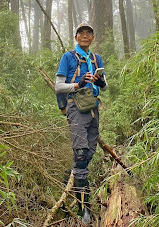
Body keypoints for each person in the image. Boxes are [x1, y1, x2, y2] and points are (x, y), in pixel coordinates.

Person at [55, 21, 107, 224]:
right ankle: (83, 208)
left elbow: (105, 85)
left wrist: (100, 82)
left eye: (89, 33)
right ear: (76, 37)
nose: (85, 36)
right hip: (76, 107)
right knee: (81, 152)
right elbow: (59, 86)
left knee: (88, 152)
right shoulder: (68, 57)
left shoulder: (96, 58)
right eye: (81, 33)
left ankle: (73, 174)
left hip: (93, 108)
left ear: (93, 38)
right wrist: (79, 83)